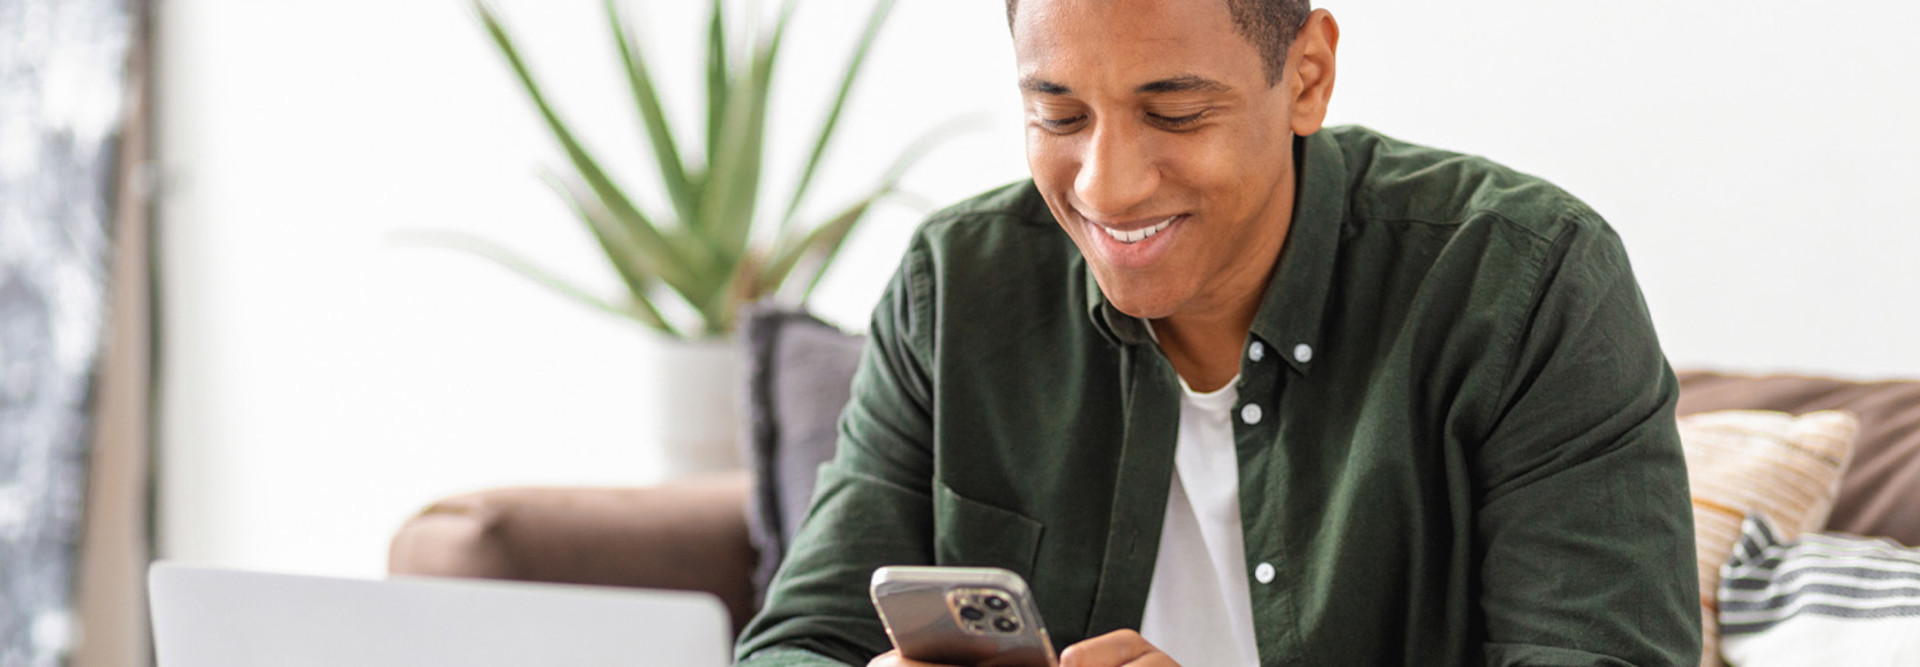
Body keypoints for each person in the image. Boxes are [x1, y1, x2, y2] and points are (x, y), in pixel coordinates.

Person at [735, 0, 1701, 665]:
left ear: (1308, 77)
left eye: (1176, 112)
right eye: (1057, 114)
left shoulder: (1522, 281)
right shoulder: (955, 288)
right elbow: (798, 636)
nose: (1106, 186)